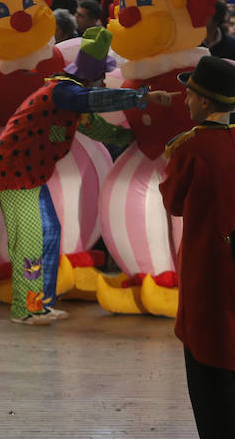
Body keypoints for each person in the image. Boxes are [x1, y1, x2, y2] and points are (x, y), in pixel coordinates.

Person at [0, 28, 174, 325]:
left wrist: (141, 138)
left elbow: (99, 129)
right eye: (100, 78)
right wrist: (141, 97)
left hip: (32, 175)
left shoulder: (72, 99)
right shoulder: (63, 92)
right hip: (14, 175)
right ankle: (26, 308)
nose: (102, 82)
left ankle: (41, 304)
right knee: (30, 241)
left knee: (49, 234)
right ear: (91, 77)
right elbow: (94, 102)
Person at [159, 55, 235, 439]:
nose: (185, 100)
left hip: (207, 268)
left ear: (205, 101)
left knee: (209, 371)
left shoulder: (191, 147)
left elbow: (173, 203)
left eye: (190, 94)